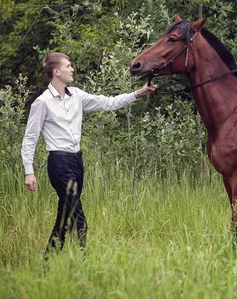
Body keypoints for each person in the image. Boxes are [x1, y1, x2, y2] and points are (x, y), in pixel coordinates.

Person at [21, 52, 157, 255]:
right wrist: (29, 171)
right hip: (59, 164)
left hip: (77, 162)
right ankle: (83, 265)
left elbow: (109, 103)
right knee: (79, 218)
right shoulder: (42, 103)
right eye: (68, 66)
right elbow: (30, 138)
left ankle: (49, 262)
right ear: (57, 72)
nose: (72, 69)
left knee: (65, 216)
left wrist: (138, 93)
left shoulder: (77, 95)